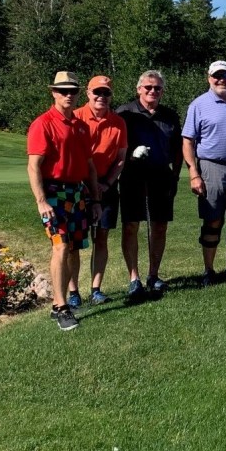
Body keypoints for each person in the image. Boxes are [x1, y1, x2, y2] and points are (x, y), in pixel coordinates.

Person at [27, 71, 102, 331]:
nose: (68, 95)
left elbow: (90, 166)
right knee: (60, 246)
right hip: (53, 193)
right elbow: (34, 166)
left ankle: (61, 301)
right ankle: (61, 307)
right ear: (53, 93)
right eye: (63, 91)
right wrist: (41, 201)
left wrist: (94, 199)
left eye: (72, 91)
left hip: (77, 192)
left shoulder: (81, 126)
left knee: (73, 248)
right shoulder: (43, 123)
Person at [116, 70, 183, 300]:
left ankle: (154, 275)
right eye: (148, 87)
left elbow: (177, 150)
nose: (152, 91)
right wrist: (130, 158)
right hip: (132, 176)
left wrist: (175, 177)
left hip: (162, 177)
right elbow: (116, 145)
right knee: (131, 226)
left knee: (159, 226)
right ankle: (134, 278)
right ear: (138, 89)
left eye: (157, 88)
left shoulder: (170, 116)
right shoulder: (124, 112)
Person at [182, 60, 226, 286]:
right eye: (216, 76)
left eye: (225, 75)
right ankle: (209, 270)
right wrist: (194, 172)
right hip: (211, 165)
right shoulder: (198, 105)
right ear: (209, 78)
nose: (221, 80)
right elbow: (188, 141)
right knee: (213, 219)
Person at [71, 75, 127, 306]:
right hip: (77, 185)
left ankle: (96, 289)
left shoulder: (118, 122)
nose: (101, 97)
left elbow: (121, 159)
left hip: (106, 185)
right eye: (97, 92)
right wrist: (87, 185)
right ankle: (73, 292)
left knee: (101, 237)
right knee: (72, 241)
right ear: (88, 93)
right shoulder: (75, 118)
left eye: (106, 93)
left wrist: (107, 183)